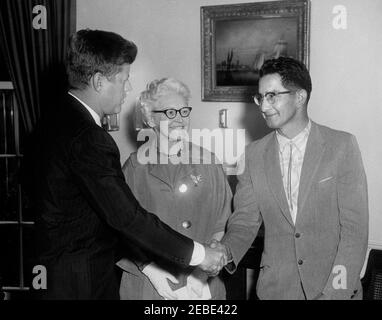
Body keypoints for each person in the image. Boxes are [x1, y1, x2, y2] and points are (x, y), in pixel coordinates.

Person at [27, 29, 226, 299]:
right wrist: (198, 255)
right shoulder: (90, 138)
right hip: (80, 282)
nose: (128, 88)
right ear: (99, 81)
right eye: (123, 79)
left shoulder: (52, 120)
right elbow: (128, 219)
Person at [218, 57, 369, 300]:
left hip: (334, 290)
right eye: (260, 97)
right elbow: (244, 221)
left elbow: (355, 230)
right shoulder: (252, 155)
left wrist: (333, 293)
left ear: (300, 97)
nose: (263, 106)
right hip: (276, 291)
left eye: (272, 96)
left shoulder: (341, 146)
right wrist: (223, 252)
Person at [117, 78, 232, 300]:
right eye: (170, 113)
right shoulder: (134, 168)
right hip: (150, 288)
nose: (180, 120)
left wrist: (203, 272)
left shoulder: (208, 161)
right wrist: (151, 269)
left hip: (203, 287)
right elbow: (120, 230)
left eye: (184, 112)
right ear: (150, 118)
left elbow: (224, 221)